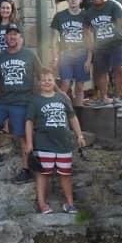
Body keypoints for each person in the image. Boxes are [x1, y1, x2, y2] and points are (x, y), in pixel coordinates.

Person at [0, 25, 42, 184]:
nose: (12, 37)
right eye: (9, 35)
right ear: (5, 38)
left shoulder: (29, 55)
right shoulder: (0, 57)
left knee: (22, 137)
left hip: (22, 102)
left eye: (15, 34)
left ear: (21, 38)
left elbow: (42, 75)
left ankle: (27, 170)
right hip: (3, 102)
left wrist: (55, 93)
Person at [25, 68, 87, 214]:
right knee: (43, 174)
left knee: (65, 174)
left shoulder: (63, 98)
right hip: (44, 144)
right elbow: (29, 122)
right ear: (39, 83)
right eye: (43, 80)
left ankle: (69, 203)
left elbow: (72, 117)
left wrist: (79, 135)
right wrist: (29, 142)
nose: (46, 82)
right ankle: (42, 203)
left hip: (64, 144)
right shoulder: (35, 100)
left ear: (54, 81)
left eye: (49, 79)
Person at [84, 0, 122, 106]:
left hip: (116, 43)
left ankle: (117, 97)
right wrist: (91, 48)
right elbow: (87, 31)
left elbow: (121, 23)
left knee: (118, 69)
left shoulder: (114, 6)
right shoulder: (89, 12)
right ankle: (104, 97)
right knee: (101, 72)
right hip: (100, 46)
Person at [51, 0, 92, 107]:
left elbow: (90, 39)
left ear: (81, 0)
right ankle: (62, 111)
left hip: (81, 55)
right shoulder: (59, 16)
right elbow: (54, 39)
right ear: (67, 0)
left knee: (79, 87)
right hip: (65, 54)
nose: (73, 0)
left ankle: (78, 112)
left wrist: (89, 59)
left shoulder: (86, 16)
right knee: (65, 84)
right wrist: (55, 57)